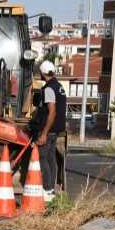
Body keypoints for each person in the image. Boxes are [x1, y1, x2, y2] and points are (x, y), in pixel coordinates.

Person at [35, 60, 66, 202]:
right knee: (51, 159)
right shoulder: (59, 86)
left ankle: (47, 189)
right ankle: (51, 190)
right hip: (57, 130)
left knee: (43, 158)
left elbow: (52, 112)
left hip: (50, 130)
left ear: (42, 73)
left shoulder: (49, 88)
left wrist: (43, 133)